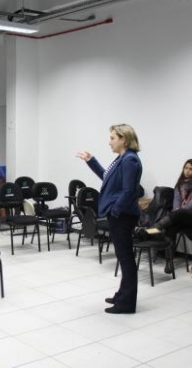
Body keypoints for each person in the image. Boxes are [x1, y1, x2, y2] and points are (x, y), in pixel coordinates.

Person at [77, 124, 142, 314]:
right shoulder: (122, 158)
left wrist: (116, 209)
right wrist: (92, 161)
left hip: (122, 215)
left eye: (113, 138)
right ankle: (122, 294)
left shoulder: (130, 160)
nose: (110, 141)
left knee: (126, 258)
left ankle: (127, 303)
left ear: (124, 139)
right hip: (119, 214)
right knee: (123, 257)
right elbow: (107, 177)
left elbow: (129, 190)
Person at [147, 159, 192, 273]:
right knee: (171, 227)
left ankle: (154, 229)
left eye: (191, 169)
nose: (187, 171)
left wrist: (181, 209)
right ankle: (169, 263)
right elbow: (176, 201)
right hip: (181, 217)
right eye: (186, 168)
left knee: (179, 212)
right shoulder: (179, 185)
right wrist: (177, 210)